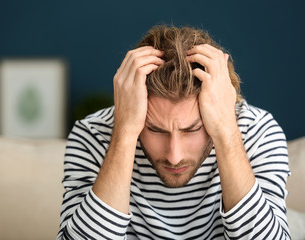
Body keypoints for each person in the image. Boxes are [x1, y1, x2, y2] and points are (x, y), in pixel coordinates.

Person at [56, 25, 291, 239]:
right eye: (155, 130)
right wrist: (125, 132)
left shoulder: (257, 132)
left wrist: (226, 132)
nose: (174, 156)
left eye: (192, 129)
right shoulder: (93, 135)